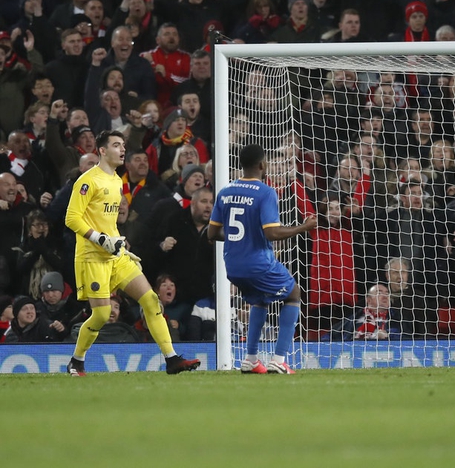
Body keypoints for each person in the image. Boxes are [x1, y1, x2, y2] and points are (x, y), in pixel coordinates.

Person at [64, 130, 200, 376]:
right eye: (116, 145)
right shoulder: (88, 180)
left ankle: (172, 359)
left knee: (150, 300)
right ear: (102, 151)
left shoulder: (117, 180)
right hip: (92, 257)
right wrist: (99, 239)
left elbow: (108, 222)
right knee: (102, 313)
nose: (122, 149)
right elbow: (72, 218)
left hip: (114, 255)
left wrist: (120, 245)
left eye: (123, 145)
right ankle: (77, 360)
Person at [206, 144, 318, 374]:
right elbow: (272, 233)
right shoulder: (266, 192)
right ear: (262, 165)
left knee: (260, 300)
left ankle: (250, 359)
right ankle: (278, 359)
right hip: (257, 263)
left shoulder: (225, 192)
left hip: (233, 266)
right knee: (294, 293)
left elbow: (212, 234)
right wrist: (303, 227)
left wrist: (241, 237)